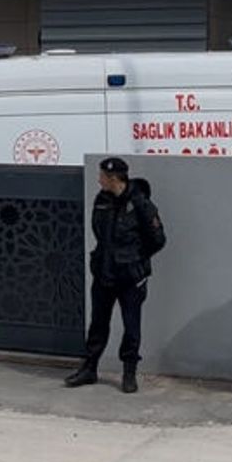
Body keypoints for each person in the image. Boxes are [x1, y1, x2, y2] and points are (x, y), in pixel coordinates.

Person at [66, 157, 166, 394]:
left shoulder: (140, 203)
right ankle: (89, 368)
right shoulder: (102, 200)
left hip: (131, 277)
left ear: (114, 179)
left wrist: (135, 258)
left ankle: (129, 373)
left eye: (102, 176)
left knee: (131, 327)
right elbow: (98, 231)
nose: (99, 180)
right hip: (104, 273)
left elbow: (158, 239)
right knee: (98, 324)